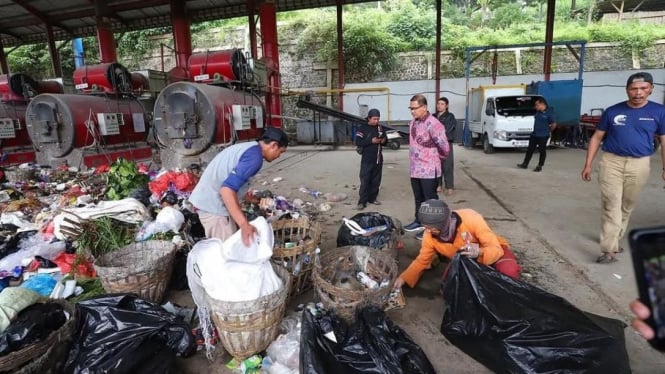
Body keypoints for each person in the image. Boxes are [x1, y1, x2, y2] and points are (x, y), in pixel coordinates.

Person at [581, 72, 665, 264]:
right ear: (627, 90)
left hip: (640, 163)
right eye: (634, 89)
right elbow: (596, 137)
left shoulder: (659, 112)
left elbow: (664, 139)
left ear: (651, 89)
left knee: (627, 205)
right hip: (612, 161)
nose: (638, 93)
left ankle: (615, 237)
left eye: (643, 89)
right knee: (611, 204)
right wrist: (588, 164)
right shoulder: (612, 111)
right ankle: (609, 249)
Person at [189, 127, 289, 245]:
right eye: (280, 152)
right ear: (273, 145)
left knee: (234, 243)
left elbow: (230, 179)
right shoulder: (255, 158)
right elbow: (226, 190)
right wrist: (244, 225)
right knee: (227, 254)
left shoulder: (250, 148)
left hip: (210, 200)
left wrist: (248, 198)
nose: (278, 156)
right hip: (213, 207)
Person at [394, 199, 521, 289]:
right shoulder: (429, 235)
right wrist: (404, 278)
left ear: (442, 224)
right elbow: (422, 260)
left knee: (509, 270)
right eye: (425, 227)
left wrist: (479, 251)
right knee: (448, 287)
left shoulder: (471, 218)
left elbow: (496, 249)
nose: (427, 231)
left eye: (431, 228)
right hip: (464, 259)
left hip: (492, 250)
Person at [404, 94, 450, 236]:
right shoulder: (413, 123)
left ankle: (432, 228)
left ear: (424, 107)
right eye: (410, 108)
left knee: (430, 200)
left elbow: (445, 148)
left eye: (415, 108)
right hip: (415, 168)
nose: (412, 111)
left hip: (429, 169)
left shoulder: (434, 124)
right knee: (418, 197)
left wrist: (434, 158)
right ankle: (419, 221)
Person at [355, 108, 387, 210]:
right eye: (374, 119)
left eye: (378, 119)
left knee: (376, 181)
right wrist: (370, 141)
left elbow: (386, 139)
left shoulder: (380, 128)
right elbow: (358, 142)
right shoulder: (362, 128)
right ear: (369, 118)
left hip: (378, 159)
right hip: (367, 160)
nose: (376, 121)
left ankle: (372, 198)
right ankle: (362, 202)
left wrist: (383, 141)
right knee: (365, 181)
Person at [517, 97, 557, 172]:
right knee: (530, 150)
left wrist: (548, 131)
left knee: (542, 151)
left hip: (543, 136)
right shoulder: (538, 112)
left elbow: (554, 124)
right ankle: (525, 164)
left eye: (537, 105)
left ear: (542, 104)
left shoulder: (549, 113)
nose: (535, 106)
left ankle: (540, 166)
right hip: (534, 134)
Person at [435, 97, 457, 195]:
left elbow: (448, 129)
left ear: (446, 106)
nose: (439, 106)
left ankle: (449, 186)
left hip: (446, 143)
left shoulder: (450, 116)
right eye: (438, 104)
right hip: (435, 145)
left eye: (442, 104)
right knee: (437, 165)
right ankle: (438, 185)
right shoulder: (433, 116)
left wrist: (440, 138)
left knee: (447, 165)